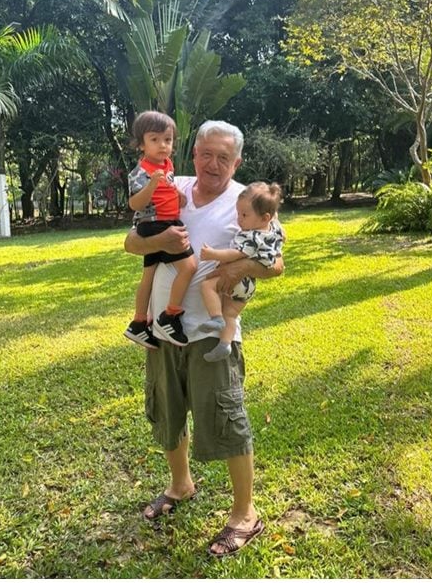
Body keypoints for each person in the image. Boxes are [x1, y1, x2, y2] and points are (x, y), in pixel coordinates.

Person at [123, 120, 282, 557]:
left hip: (213, 334)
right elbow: (131, 243)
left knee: (226, 420)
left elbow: (275, 264)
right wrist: (155, 239)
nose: (213, 164)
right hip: (164, 330)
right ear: (193, 153)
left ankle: (245, 514)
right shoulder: (170, 185)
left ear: (237, 162)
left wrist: (233, 269)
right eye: (205, 154)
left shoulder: (249, 200)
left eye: (223, 158)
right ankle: (181, 485)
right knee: (168, 412)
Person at [122, 111, 197, 349]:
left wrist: (178, 194)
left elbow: (168, 187)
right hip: (157, 224)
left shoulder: (167, 165)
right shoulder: (140, 172)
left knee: (149, 275)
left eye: (168, 139)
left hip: (162, 222)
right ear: (141, 144)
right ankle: (169, 316)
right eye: (154, 140)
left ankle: (138, 323)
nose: (163, 145)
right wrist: (152, 183)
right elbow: (135, 204)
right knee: (189, 267)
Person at [198, 182, 286, 363]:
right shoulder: (272, 229)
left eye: (244, 215)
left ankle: (216, 318)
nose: (239, 219)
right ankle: (224, 344)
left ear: (264, 217)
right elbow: (280, 229)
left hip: (240, 280)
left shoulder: (251, 236)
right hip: (249, 285)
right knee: (230, 314)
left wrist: (212, 254)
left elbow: (235, 254)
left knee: (207, 286)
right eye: (238, 213)